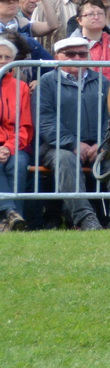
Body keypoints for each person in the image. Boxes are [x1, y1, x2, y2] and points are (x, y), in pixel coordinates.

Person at [36, 35, 110, 229]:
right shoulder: (47, 82)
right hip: (56, 146)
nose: (77, 58)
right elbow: (45, 121)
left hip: (99, 144)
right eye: (70, 54)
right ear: (57, 56)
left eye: (82, 54)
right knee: (66, 159)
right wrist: (72, 144)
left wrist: (101, 143)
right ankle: (84, 218)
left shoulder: (102, 82)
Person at [0, 32, 32, 230]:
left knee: (18, 163)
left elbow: (25, 126)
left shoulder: (21, 87)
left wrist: (8, 148)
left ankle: (12, 219)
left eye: (7, 57)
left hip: (13, 146)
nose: (3, 61)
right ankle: (11, 215)